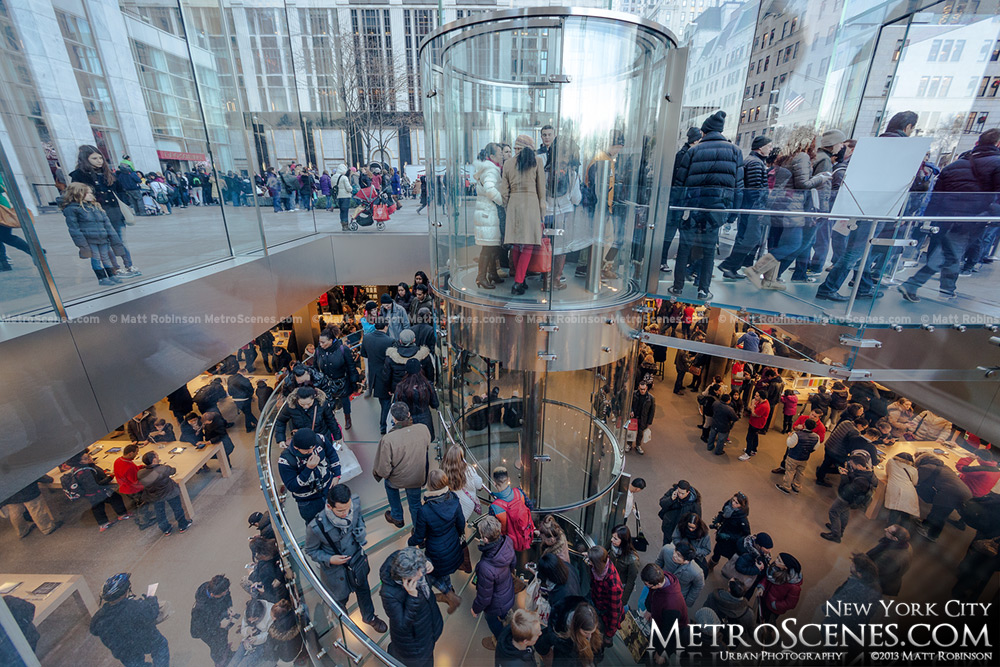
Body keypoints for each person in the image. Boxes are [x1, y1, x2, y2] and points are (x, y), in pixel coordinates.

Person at [816, 111, 918, 302]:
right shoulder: (903, 150)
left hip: (862, 206)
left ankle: (863, 286)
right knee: (856, 250)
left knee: (864, 249)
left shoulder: (872, 147)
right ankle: (829, 287)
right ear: (908, 128)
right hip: (878, 208)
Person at [899, 127, 1000, 301]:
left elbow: (936, 197)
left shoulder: (955, 165)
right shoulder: (996, 164)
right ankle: (929, 288)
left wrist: (929, 219)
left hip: (946, 217)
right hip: (971, 219)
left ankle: (938, 289)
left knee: (948, 253)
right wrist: (990, 214)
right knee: (951, 254)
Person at [668, 110, 743, 300]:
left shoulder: (693, 151)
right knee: (709, 249)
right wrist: (733, 213)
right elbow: (739, 187)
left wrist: (676, 210)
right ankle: (703, 289)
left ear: (704, 132)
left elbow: (680, 183)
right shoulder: (735, 151)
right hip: (717, 208)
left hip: (694, 207)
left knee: (685, 247)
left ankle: (677, 287)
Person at [304, 483, 387, 632]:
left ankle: (369, 617)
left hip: (356, 561)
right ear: (329, 507)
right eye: (341, 511)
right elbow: (310, 550)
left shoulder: (354, 503)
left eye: (348, 508)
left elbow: (358, 518)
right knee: (340, 599)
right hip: (336, 572)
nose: (346, 513)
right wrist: (330, 559)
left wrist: (361, 530)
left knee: (363, 589)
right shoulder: (316, 527)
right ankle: (345, 622)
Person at [70, 146, 141, 277]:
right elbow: (76, 196)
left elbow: (120, 191)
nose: (99, 161)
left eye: (100, 157)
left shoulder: (109, 174)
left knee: (121, 240)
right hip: (96, 214)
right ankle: (115, 268)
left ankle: (129, 265)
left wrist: (125, 203)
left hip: (115, 211)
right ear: (85, 159)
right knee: (106, 243)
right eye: (94, 158)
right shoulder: (79, 176)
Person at [408, 469, 465, 614]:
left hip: (436, 550)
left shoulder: (425, 510)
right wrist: (456, 536)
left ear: (430, 486)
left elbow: (419, 537)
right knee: (444, 570)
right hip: (452, 544)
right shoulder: (453, 498)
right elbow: (461, 523)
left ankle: (449, 594)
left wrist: (410, 541)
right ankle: (449, 589)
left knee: (429, 573)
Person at [380, 547, 444, 667]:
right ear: (405, 576)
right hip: (414, 646)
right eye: (418, 572)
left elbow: (420, 561)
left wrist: (428, 562)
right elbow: (402, 626)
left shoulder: (414, 569)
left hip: (428, 629)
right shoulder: (389, 594)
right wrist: (413, 599)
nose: (422, 574)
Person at [719, 135, 772, 279]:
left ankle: (731, 267)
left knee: (746, 237)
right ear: (761, 148)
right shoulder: (755, 163)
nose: (770, 149)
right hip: (752, 208)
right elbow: (754, 190)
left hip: (750, 207)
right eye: (768, 146)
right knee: (752, 238)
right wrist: (759, 207)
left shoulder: (753, 161)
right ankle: (729, 265)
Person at [500, 134, 546, 295]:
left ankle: (521, 279)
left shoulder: (507, 164)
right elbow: (541, 189)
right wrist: (542, 210)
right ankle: (518, 282)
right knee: (527, 245)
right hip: (531, 204)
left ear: (516, 148)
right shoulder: (537, 161)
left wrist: (508, 208)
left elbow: (504, 192)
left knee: (516, 243)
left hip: (514, 205)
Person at [90, 573, 169, 667]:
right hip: (144, 641)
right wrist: (151, 600)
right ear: (124, 592)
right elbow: (152, 612)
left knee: (134, 662)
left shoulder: (100, 617)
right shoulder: (134, 607)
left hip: (122, 650)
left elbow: (93, 630)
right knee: (160, 646)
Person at [373, 402, 430, 528]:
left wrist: (381, 475)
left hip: (397, 479)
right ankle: (419, 531)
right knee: (415, 504)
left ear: (393, 418)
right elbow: (426, 447)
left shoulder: (388, 439)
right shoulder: (423, 428)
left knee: (388, 484)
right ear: (408, 414)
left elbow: (384, 468)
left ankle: (397, 515)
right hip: (417, 476)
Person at [60, 182, 129, 285]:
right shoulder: (73, 209)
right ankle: (102, 278)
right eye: (88, 193)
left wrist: (113, 238)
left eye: (91, 193)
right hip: (90, 239)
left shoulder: (96, 207)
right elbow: (74, 229)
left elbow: (107, 224)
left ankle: (111, 275)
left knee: (105, 257)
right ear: (78, 194)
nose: (91, 195)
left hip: (103, 237)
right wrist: (82, 245)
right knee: (96, 258)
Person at [660, 127, 703, 273]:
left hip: (680, 200)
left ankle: (667, 261)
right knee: (673, 233)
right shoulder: (686, 155)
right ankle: (666, 261)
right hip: (680, 201)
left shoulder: (686, 154)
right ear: (696, 140)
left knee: (673, 232)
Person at [277, 428, 341, 524]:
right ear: (296, 447)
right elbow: (292, 486)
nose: (311, 451)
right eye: (306, 451)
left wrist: (337, 475)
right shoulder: (285, 461)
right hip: (308, 501)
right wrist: (308, 469)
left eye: (313, 447)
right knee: (316, 526)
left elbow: (332, 454)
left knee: (338, 516)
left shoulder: (320, 439)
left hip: (328, 489)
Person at [473, 515, 517, 649]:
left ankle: (502, 639)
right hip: (507, 590)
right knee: (506, 614)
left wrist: (475, 608)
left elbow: (484, 596)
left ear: (485, 539)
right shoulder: (507, 541)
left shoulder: (485, 566)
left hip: (495, 603)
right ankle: (511, 630)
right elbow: (513, 563)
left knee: (491, 620)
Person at [64, 450, 131, 532]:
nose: (90, 458)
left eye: (89, 456)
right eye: (86, 458)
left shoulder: (78, 469)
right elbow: (96, 485)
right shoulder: (85, 473)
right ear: (80, 462)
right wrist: (110, 477)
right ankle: (122, 514)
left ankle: (103, 524)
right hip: (98, 492)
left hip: (90, 495)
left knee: (98, 508)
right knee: (116, 499)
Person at [914, 453, 973, 542]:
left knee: (939, 515)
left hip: (950, 494)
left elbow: (916, 480)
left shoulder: (926, 468)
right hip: (964, 493)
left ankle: (932, 535)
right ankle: (925, 525)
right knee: (941, 512)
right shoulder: (944, 466)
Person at [820, 453, 877, 543]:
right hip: (852, 500)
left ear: (858, 465)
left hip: (846, 498)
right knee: (844, 513)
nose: (851, 466)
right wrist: (849, 473)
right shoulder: (868, 473)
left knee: (833, 512)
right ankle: (839, 530)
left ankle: (835, 534)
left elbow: (847, 488)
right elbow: (854, 477)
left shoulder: (861, 480)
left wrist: (843, 476)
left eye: (852, 464)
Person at [473, 143, 506, 288]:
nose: (502, 155)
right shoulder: (491, 170)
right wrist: (503, 200)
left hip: (486, 212)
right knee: (487, 248)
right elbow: (490, 189)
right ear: (492, 156)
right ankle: (481, 277)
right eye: (500, 153)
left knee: (492, 246)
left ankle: (492, 273)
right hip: (488, 213)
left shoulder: (487, 168)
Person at [315, 326, 360, 430]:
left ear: (331, 340)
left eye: (323, 342)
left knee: (345, 401)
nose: (321, 345)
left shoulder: (343, 349)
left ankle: (347, 418)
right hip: (327, 382)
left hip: (342, 381)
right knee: (328, 404)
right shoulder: (319, 351)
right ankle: (332, 422)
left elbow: (351, 366)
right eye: (320, 342)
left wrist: (354, 381)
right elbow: (315, 367)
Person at [536, 598, 605, 666]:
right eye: (586, 632)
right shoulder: (559, 631)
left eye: (592, 632)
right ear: (576, 627)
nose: (590, 636)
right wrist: (549, 659)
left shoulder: (593, 624)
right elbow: (541, 643)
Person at [138, 451, 191, 535]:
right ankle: (182, 525)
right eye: (157, 456)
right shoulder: (163, 469)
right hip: (169, 492)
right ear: (154, 459)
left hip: (154, 495)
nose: (158, 457)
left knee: (160, 512)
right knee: (177, 509)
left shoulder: (140, 473)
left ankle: (165, 529)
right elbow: (173, 470)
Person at [825, 554, 883, 633]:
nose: (851, 566)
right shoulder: (874, 586)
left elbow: (840, 605)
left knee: (826, 629)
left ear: (860, 574)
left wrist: (827, 608)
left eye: (853, 566)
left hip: (843, 620)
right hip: (855, 624)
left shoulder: (855, 589)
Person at [191, 574, 236, 667]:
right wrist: (219, 624)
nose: (226, 592)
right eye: (223, 593)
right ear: (212, 595)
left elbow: (227, 596)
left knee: (223, 639)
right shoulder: (200, 608)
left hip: (219, 618)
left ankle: (226, 653)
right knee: (216, 646)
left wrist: (229, 607)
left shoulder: (218, 588)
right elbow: (200, 627)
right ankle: (220, 662)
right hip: (208, 631)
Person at [274, 386, 342, 446]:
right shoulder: (291, 406)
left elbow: (330, 420)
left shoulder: (321, 404)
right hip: (302, 440)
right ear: (297, 400)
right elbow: (280, 421)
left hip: (321, 438)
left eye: (309, 403)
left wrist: (337, 437)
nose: (306, 406)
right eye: (302, 404)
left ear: (314, 398)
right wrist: (281, 439)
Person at [489, 466, 536, 552]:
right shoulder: (519, 492)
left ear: (494, 483)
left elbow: (493, 531)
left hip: (507, 544)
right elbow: (530, 506)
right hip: (525, 536)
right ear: (508, 479)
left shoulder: (494, 507)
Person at [585, 545, 623, 646]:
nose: (589, 563)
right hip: (596, 602)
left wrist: (609, 635)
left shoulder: (613, 585)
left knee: (597, 642)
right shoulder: (600, 567)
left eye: (591, 561)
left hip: (604, 615)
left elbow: (615, 612)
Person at [393, 358, 440, 439]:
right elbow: (435, 404)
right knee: (424, 444)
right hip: (425, 420)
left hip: (408, 422)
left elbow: (397, 404)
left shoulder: (400, 387)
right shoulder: (427, 385)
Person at [815, 416, 868, 486]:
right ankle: (820, 477)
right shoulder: (855, 431)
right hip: (836, 451)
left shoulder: (846, 422)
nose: (862, 430)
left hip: (829, 445)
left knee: (826, 462)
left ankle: (821, 472)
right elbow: (850, 445)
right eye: (863, 428)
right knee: (843, 468)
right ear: (860, 425)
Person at [363, 318, 395, 432]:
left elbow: (364, 354)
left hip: (374, 375)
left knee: (383, 402)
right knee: (387, 402)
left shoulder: (366, 338)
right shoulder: (390, 341)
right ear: (386, 326)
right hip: (386, 375)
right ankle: (384, 425)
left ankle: (384, 424)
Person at [775, 418, 822, 494]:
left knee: (790, 471)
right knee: (800, 472)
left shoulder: (797, 435)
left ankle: (786, 487)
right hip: (804, 458)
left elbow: (790, 444)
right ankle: (796, 486)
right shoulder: (817, 437)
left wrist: (790, 436)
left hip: (793, 457)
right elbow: (815, 448)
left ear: (804, 425)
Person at [708, 492, 750, 572]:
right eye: (733, 500)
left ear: (742, 506)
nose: (732, 503)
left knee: (731, 558)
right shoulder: (728, 506)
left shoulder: (742, 520)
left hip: (732, 544)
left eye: (736, 503)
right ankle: (710, 566)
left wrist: (729, 536)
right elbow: (723, 514)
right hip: (722, 537)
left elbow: (746, 536)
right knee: (716, 552)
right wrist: (718, 520)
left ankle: (728, 572)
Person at [865, 525, 912, 597]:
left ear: (895, 538)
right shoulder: (905, 545)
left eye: (888, 530)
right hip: (889, 579)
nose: (885, 529)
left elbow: (874, 570)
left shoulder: (891, 557)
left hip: (879, 584)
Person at [656, 540, 705, 608]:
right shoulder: (666, 549)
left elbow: (698, 586)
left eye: (679, 555)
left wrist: (687, 602)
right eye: (675, 551)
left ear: (687, 561)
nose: (674, 555)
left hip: (676, 597)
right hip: (660, 587)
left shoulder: (696, 572)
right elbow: (658, 562)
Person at [755, 553, 802, 623]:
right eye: (777, 558)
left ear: (785, 567)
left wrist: (775, 604)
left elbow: (791, 604)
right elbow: (767, 579)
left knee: (768, 623)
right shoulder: (774, 568)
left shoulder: (794, 587)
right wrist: (762, 587)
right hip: (764, 599)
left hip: (773, 609)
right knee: (760, 616)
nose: (776, 560)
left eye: (779, 560)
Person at [442, 444, 485, 521]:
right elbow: (479, 485)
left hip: (450, 504)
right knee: (461, 524)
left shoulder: (444, 469)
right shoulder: (468, 469)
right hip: (466, 505)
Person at [641, 563, 689, 627]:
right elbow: (652, 594)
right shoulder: (658, 577)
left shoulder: (672, 604)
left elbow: (667, 629)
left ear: (658, 584)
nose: (646, 586)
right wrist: (649, 610)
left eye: (648, 585)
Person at [658, 479, 702, 545]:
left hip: (681, 532)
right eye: (679, 492)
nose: (680, 495)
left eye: (682, 493)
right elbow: (662, 503)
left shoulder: (694, 504)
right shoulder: (672, 492)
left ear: (688, 492)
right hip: (668, 527)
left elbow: (697, 520)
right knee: (666, 546)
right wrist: (671, 499)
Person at [608, 524, 641, 607]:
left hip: (619, 588)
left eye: (615, 538)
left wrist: (623, 601)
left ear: (623, 540)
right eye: (612, 537)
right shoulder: (612, 546)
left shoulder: (633, 560)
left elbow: (630, 583)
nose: (612, 540)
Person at [884, 452, 920, 527]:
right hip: (910, 492)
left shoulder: (891, 462)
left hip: (896, 490)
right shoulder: (913, 470)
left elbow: (887, 473)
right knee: (906, 515)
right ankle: (903, 533)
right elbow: (915, 482)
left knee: (894, 513)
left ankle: (889, 531)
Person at [739, 391, 770, 461]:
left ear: (761, 397)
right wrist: (753, 406)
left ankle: (747, 453)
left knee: (749, 438)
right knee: (755, 436)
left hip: (756, 424)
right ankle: (753, 449)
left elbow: (754, 414)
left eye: (756, 396)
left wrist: (752, 404)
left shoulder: (764, 406)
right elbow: (751, 408)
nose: (754, 397)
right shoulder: (760, 402)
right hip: (754, 422)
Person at [626, 380, 655, 454]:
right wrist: (631, 411)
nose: (642, 391)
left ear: (646, 388)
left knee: (640, 432)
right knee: (631, 431)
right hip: (634, 417)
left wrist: (649, 422)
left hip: (643, 418)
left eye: (644, 389)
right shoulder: (634, 394)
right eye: (641, 389)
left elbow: (652, 411)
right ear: (639, 388)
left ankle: (638, 445)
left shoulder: (651, 398)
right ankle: (629, 444)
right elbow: (629, 404)